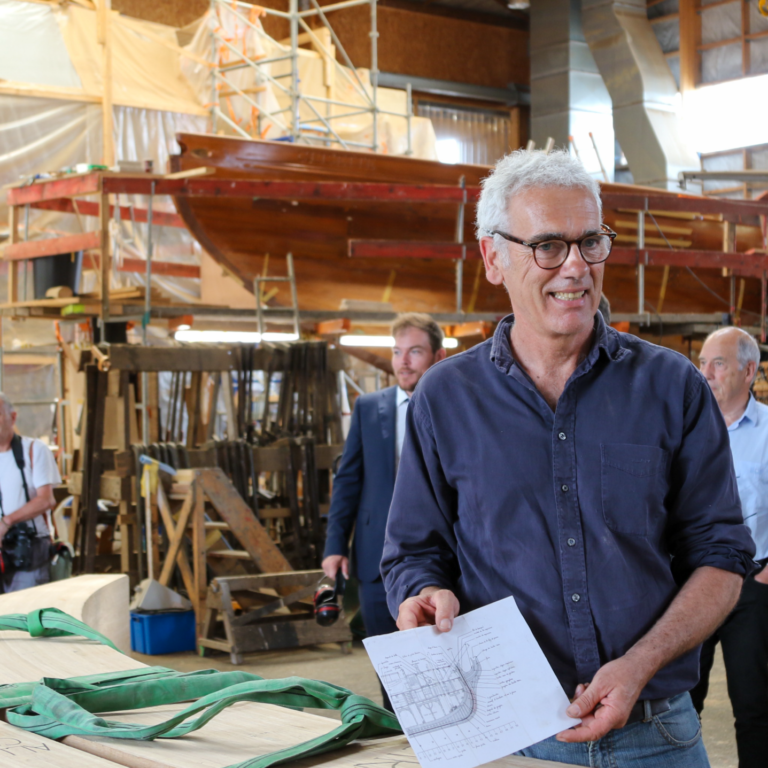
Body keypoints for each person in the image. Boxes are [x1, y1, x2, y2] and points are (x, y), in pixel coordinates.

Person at [380, 149, 756, 767]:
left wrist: (640, 663)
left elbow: (721, 555)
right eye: (549, 245)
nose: (577, 267)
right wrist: (423, 592)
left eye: (591, 242)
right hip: (508, 736)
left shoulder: (672, 386)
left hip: (656, 734)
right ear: (493, 257)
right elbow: (413, 552)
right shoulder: (445, 399)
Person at [322, 313, 446, 707]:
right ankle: (398, 733)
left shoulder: (451, 407)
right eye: (397, 352)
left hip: (439, 557)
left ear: (437, 356)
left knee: (437, 659)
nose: (403, 361)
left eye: (414, 351)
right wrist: (334, 545)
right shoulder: (368, 408)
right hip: (376, 554)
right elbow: (348, 480)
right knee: (389, 660)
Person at [692, 327, 768, 768]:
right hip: (694, 586)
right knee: (682, 703)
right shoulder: (688, 429)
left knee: (753, 704)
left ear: (749, 371)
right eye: (702, 363)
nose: (706, 373)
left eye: (717, 363)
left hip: (752, 587)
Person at [0, 393, 60, 593]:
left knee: (24, 613)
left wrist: (6, 522)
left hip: (28, 545)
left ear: (13, 417)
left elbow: (46, 500)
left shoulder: (34, 450)